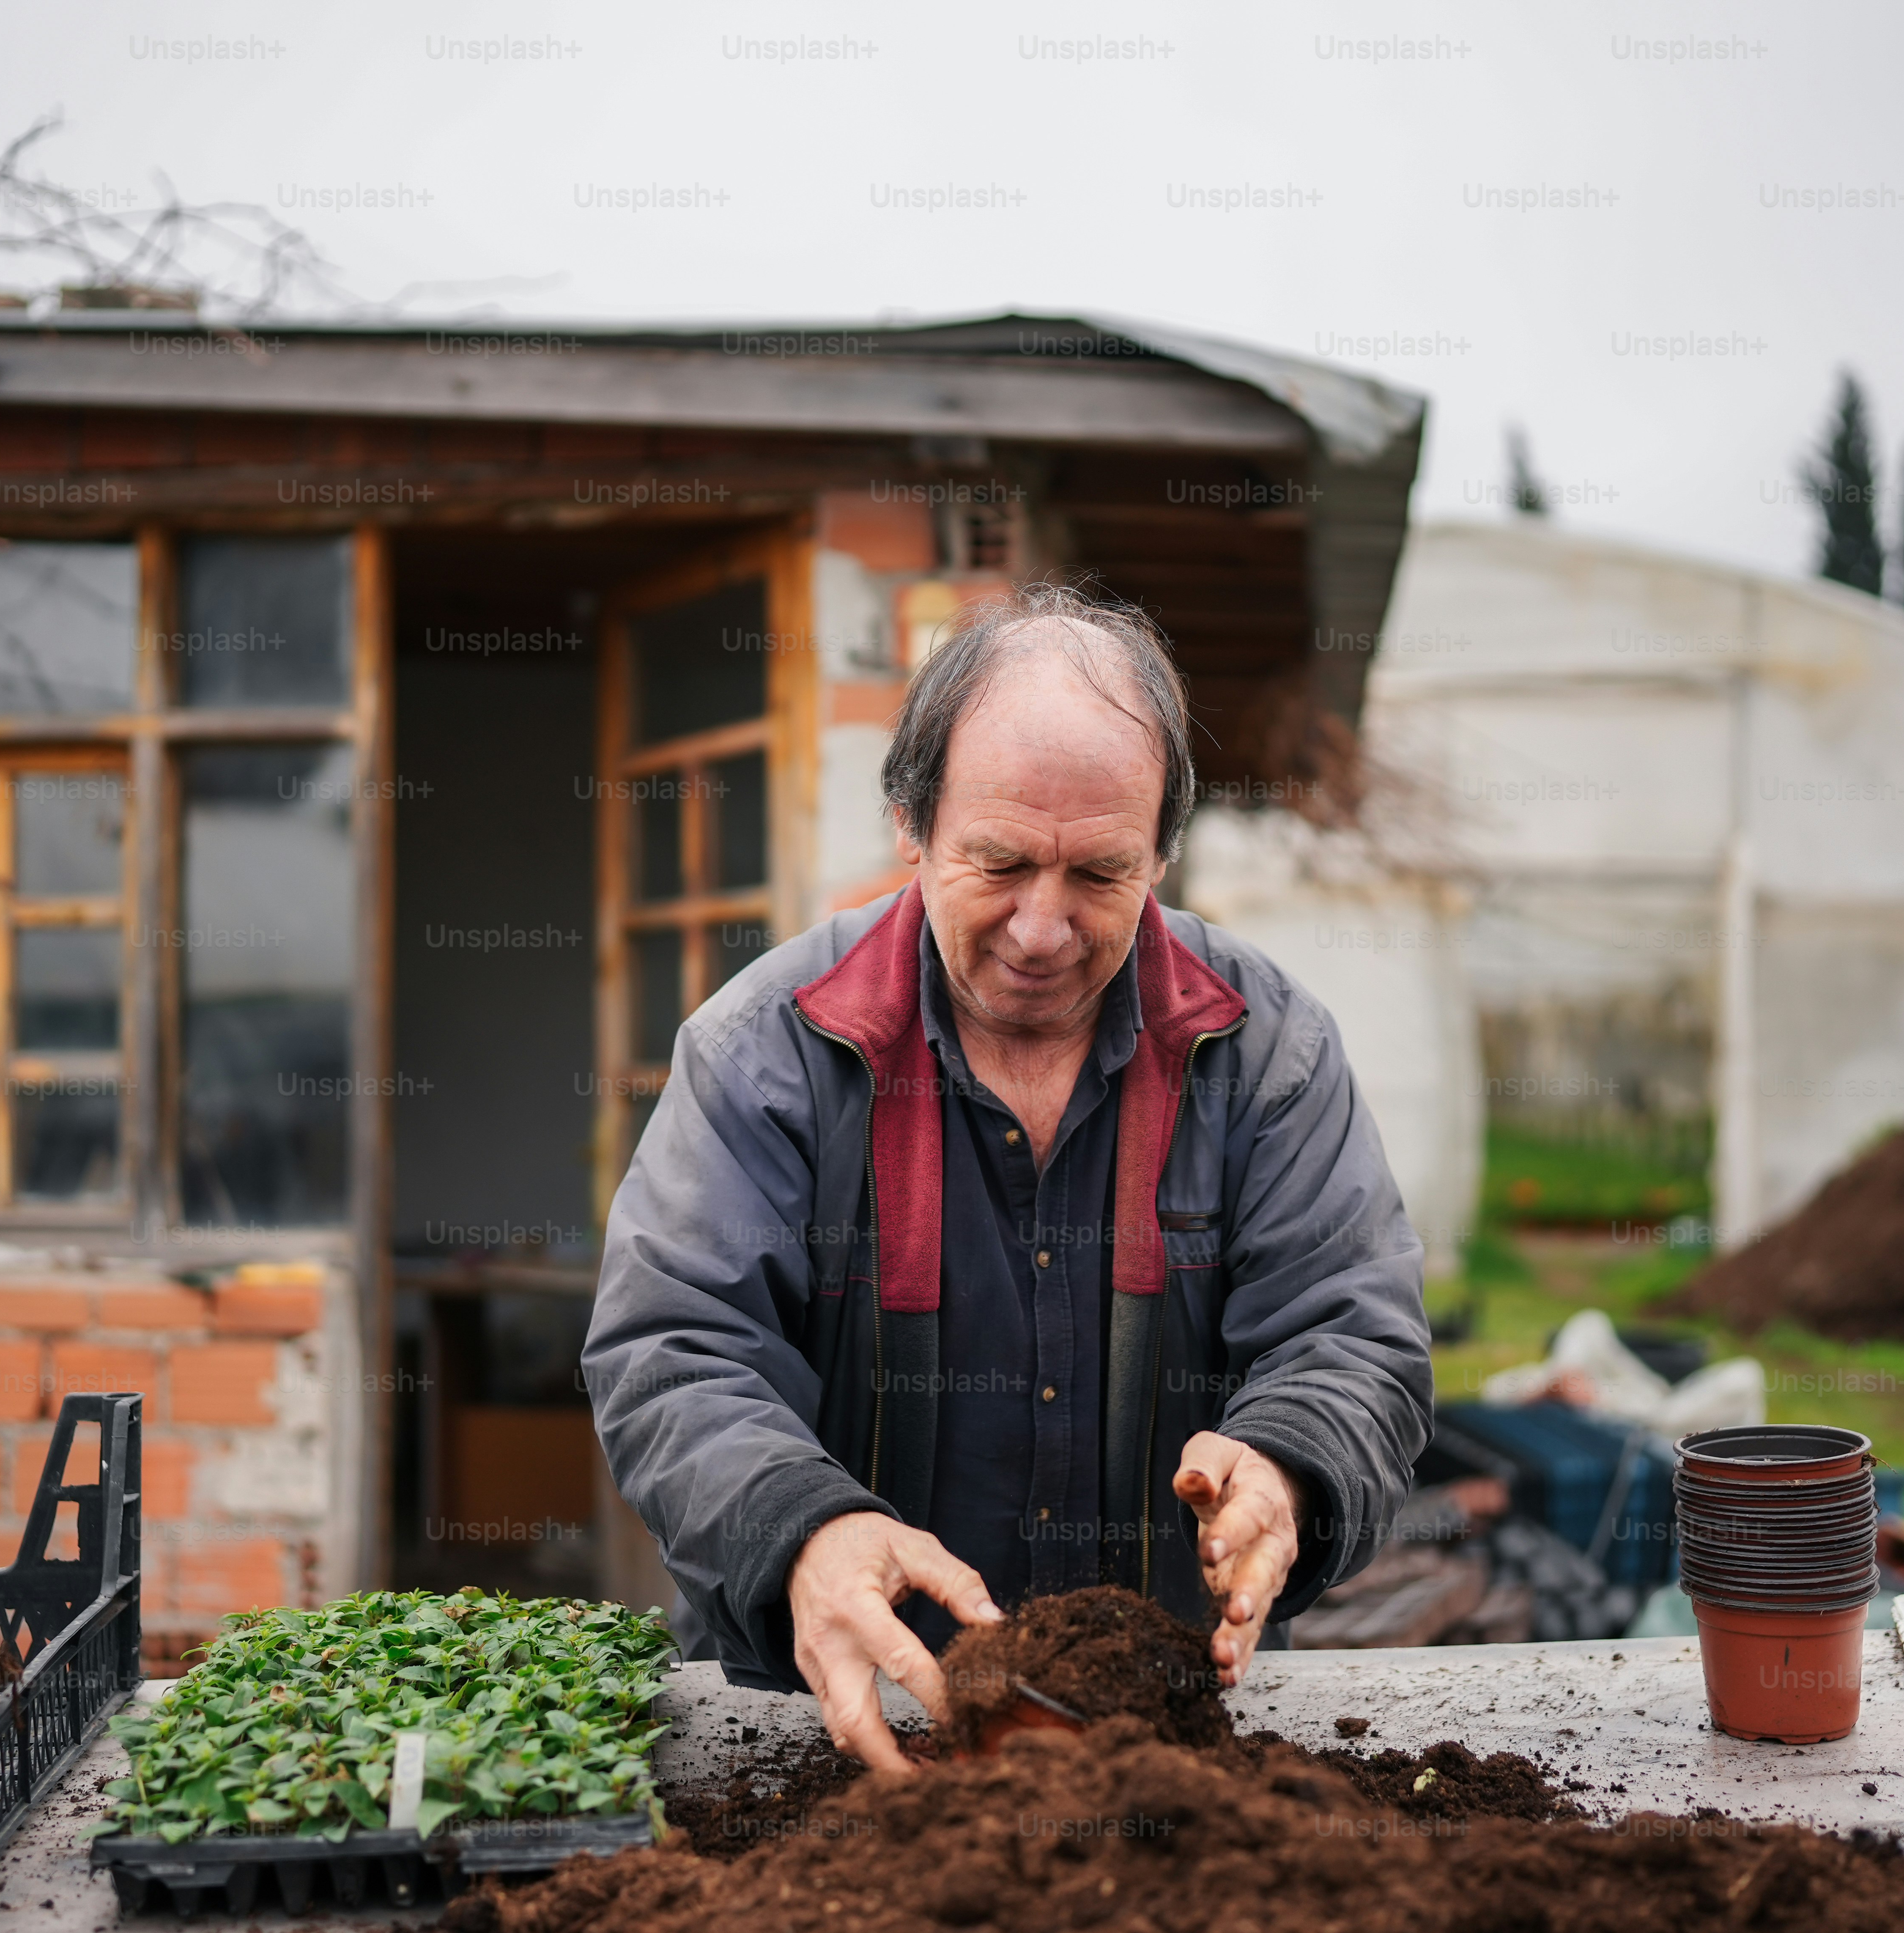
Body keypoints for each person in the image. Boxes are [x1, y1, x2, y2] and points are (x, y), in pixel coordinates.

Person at [585, 584, 1433, 1770]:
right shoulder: (766, 1052)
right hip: (840, 1739)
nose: (1043, 929)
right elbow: (671, 1349)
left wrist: (1290, 1464)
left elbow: (1354, 1332)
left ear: (1164, 852)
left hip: (1172, 1756)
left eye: (1099, 874)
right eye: (998, 864)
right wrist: (805, 1529)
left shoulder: (1264, 1049)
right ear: (911, 825)